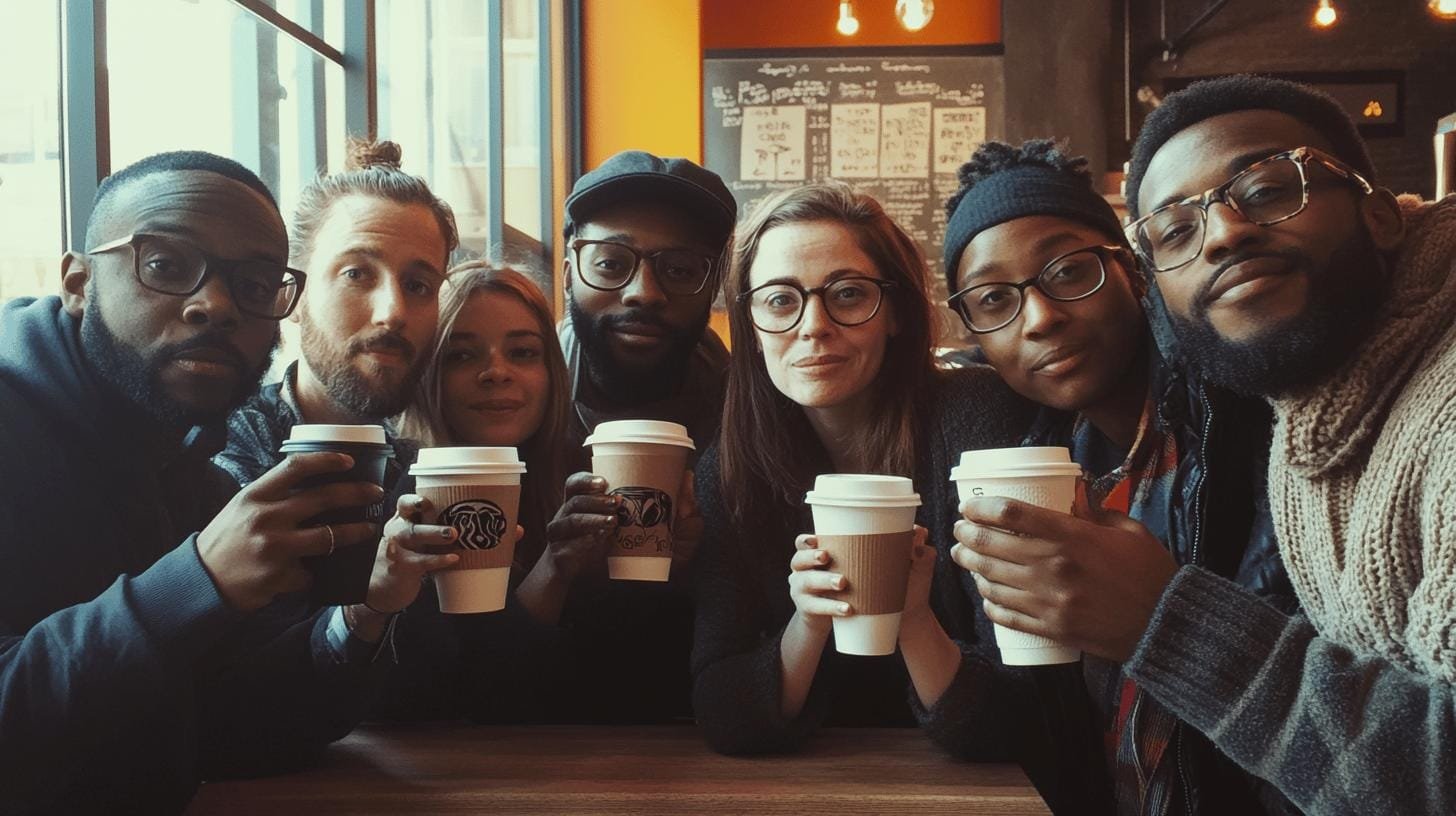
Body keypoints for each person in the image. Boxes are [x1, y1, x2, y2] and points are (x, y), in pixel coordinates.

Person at [954, 75, 1456, 815]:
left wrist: (1161, 617)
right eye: (1179, 229)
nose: (1224, 233)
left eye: (1266, 188)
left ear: (1133, 281)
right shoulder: (1057, 452)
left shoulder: (1241, 419)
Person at [0, 152, 432, 813]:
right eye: (167, 265)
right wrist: (196, 580)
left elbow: (236, 732)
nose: (215, 305)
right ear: (78, 281)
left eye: (255, 284)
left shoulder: (188, 467)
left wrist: (364, 614)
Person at [942, 138, 1297, 813]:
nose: (1040, 318)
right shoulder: (1039, 457)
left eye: (1070, 271)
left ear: (1133, 269)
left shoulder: (1244, 419)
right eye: (993, 300)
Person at [691, 181, 1036, 758]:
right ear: (750, 327)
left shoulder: (979, 422)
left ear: (896, 311)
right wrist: (809, 619)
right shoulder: (730, 472)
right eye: (779, 300)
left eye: (848, 294)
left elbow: (1015, 717)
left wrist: (912, 615)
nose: (813, 326)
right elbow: (725, 715)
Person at [216, 138, 460, 641]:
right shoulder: (220, 458)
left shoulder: (425, 473)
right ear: (294, 296)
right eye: (356, 274)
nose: (392, 311)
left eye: (419, 285)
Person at [546, 150, 737, 722]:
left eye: (679, 269)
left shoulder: (749, 418)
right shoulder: (515, 399)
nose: (643, 293)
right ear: (568, 273)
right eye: (610, 263)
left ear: (714, 285)